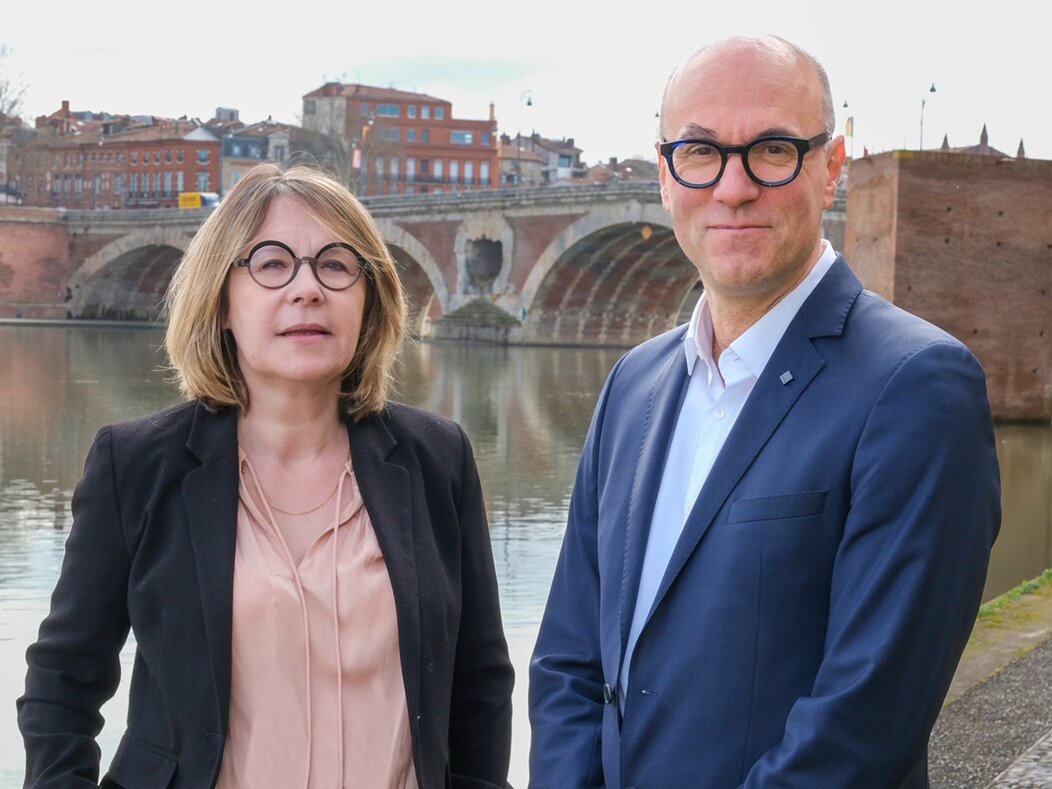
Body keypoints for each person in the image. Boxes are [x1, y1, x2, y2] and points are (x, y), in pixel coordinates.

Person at [529, 35, 1000, 788]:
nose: (733, 187)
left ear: (832, 167)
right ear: (664, 171)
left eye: (773, 149)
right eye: (700, 151)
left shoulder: (916, 387)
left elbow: (862, 726)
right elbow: (568, 663)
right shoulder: (632, 385)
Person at [18, 162, 514, 788]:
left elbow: (480, 680)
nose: (307, 289)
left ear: (370, 297)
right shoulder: (138, 465)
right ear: (222, 301)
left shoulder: (436, 458)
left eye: (335, 265)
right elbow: (63, 681)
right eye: (271, 264)